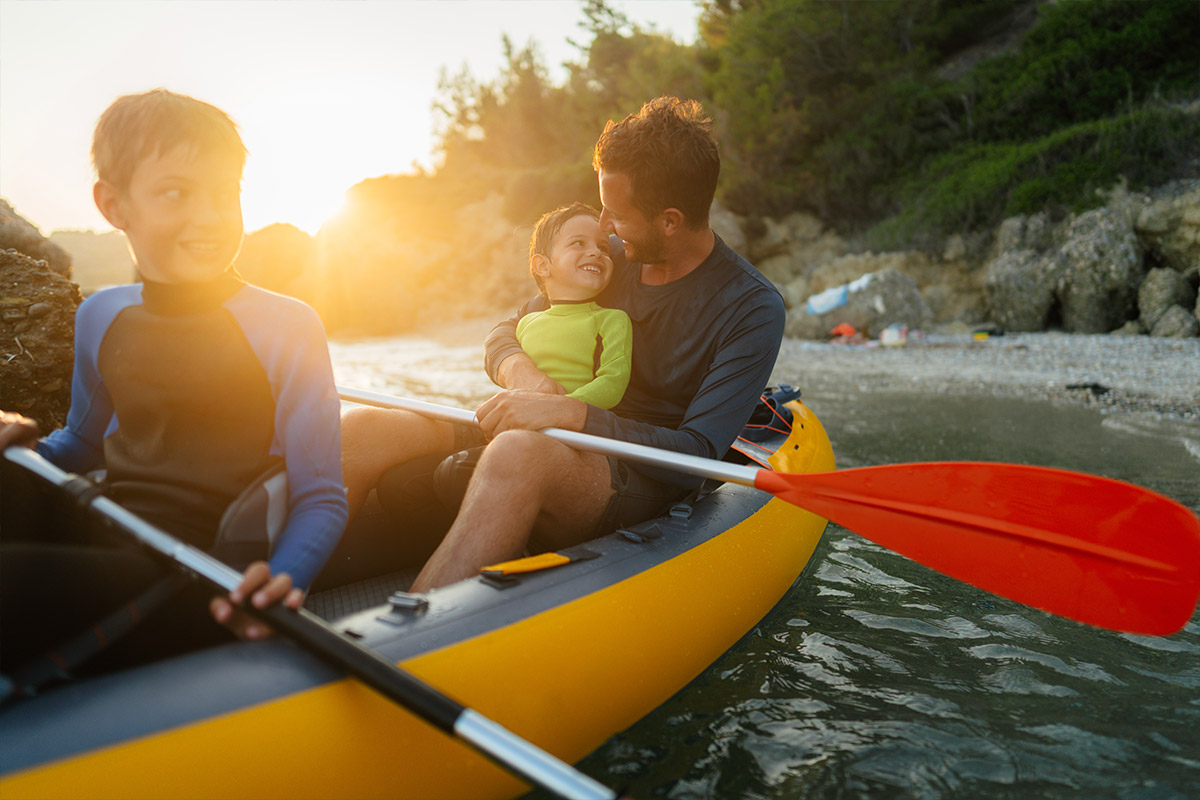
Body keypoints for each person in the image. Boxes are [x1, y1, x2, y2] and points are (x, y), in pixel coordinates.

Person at [0, 89, 348, 673]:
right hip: (106, 524)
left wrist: (279, 584)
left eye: (224, 193)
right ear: (115, 206)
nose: (209, 216)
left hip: (197, 569)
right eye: (175, 193)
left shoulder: (287, 324)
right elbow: (81, 447)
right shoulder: (101, 315)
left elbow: (321, 496)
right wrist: (22, 446)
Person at [394, 95, 785, 591]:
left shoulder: (749, 307)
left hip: (639, 478)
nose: (602, 228)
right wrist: (523, 373)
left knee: (517, 454)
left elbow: (697, 455)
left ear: (669, 220)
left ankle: (413, 635)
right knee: (378, 426)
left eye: (615, 214)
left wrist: (573, 416)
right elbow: (505, 330)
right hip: (552, 428)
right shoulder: (608, 257)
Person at [518, 201, 631, 410]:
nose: (596, 253)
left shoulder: (612, 320)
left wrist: (554, 409)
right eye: (579, 243)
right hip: (524, 419)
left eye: (603, 247)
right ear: (542, 265)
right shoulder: (525, 323)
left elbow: (612, 385)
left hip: (574, 433)